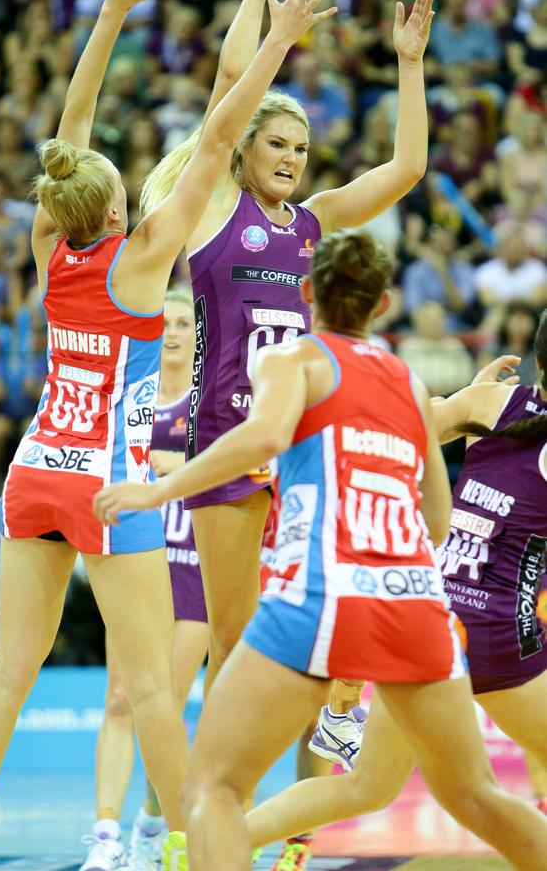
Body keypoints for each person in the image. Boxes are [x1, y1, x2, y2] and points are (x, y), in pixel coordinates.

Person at [0, 0, 336, 871]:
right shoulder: (141, 265)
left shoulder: (50, 248)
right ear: (115, 212)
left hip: (34, 474)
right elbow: (222, 137)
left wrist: (108, 18)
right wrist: (280, 39)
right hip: (106, 484)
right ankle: (194, 841)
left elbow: (69, 133)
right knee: (153, 684)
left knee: (9, 667)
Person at [95, 232, 547, 871]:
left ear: (307, 294)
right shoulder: (409, 384)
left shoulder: (296, 360)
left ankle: (334, 713)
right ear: (383, 305)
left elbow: (263, 438)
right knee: (472, 794)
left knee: (211, 790)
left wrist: (161, 487)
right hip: (421, 607)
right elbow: (438, 520)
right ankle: (339, 709)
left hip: (325, 593)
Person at [139, 0, 434, 705]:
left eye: (301, 151)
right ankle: (203, 814)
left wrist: (409, 64)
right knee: (233, 645)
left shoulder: (313, 222)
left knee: (314, 634)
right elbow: (232, 91)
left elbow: (407, 166)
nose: (292, 161)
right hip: (229, 435)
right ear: (245, 152)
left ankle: (296, 829)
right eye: (277, 146)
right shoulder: (212, 211)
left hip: (301, 441)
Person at [239, 332, 547, 868]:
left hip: (430, 616)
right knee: (475, 793)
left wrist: (472, 404)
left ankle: (212, 840)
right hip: (498, 630)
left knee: (368, 787)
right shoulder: (493, 405)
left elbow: (391, 428)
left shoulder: (492, 401)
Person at [80, 290, 208, 871]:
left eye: (185, 322)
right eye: (167, 322)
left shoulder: (215, 404)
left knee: (167, 703)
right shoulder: (129, 400)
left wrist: (177, 469)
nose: (175, 331)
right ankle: (105, 839)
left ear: (198, 334)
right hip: (137, 561)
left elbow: (250, 468)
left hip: (196, 567)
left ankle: (155, 824)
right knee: (119, 700)